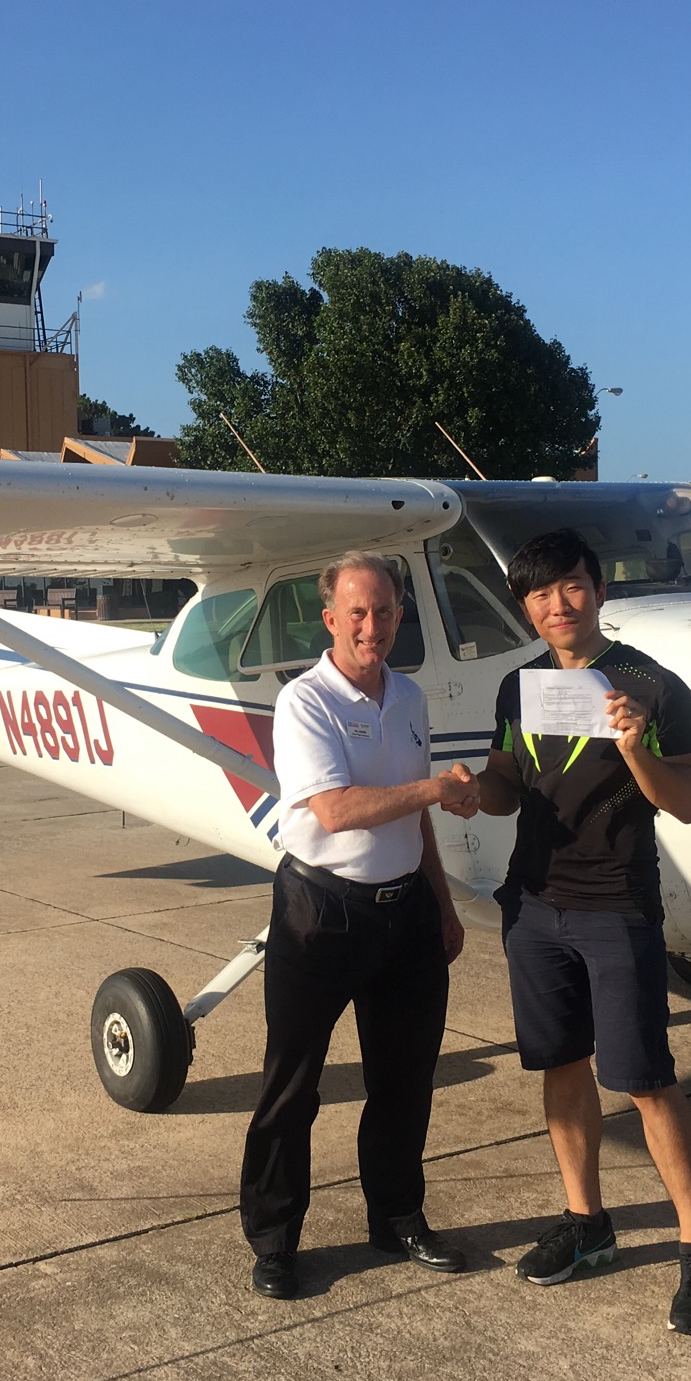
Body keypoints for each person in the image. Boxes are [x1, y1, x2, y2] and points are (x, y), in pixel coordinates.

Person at [470, 527, 691, 1336]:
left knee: (646, 1079)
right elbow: (506, 787)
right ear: (527, 608)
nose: (559, 604)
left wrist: (634, 746)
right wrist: (469, 791)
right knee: (560, 1064)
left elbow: (689, 800)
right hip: (533, 906)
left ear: (599, 590)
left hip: (617, 906)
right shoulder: (518, 687)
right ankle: (587, 1223)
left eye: (572, 585)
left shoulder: (653, 687)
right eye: (540, 594)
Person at [239, 551, 477, 1300]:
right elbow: (336, 811)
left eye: (385, 611)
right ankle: (275, 1240)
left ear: (400, 617)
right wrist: (435, 789)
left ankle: (397, 1216)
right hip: (320, 913)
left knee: (405, 1080)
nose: (372, 625)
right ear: (330, 619)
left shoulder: (408, 697)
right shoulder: (304, 702)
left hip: (405, 912)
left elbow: (415, 816)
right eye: (358, 612)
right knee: (293, 1086)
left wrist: (442, 904)